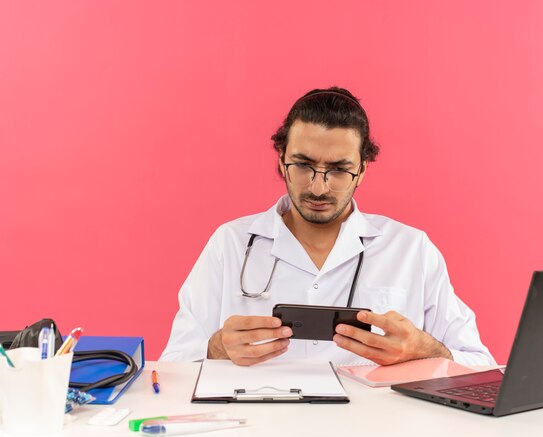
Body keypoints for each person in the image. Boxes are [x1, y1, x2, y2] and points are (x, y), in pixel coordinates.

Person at [160, 87, 495, 367]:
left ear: (362, 168)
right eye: (303, 165)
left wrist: (426, 353)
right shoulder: (230, 243)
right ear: (281, 160)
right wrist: (215, 349)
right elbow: (172, 364)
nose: (318, 188)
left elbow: (480, 364)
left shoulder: (411, 249)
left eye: (338, 170)